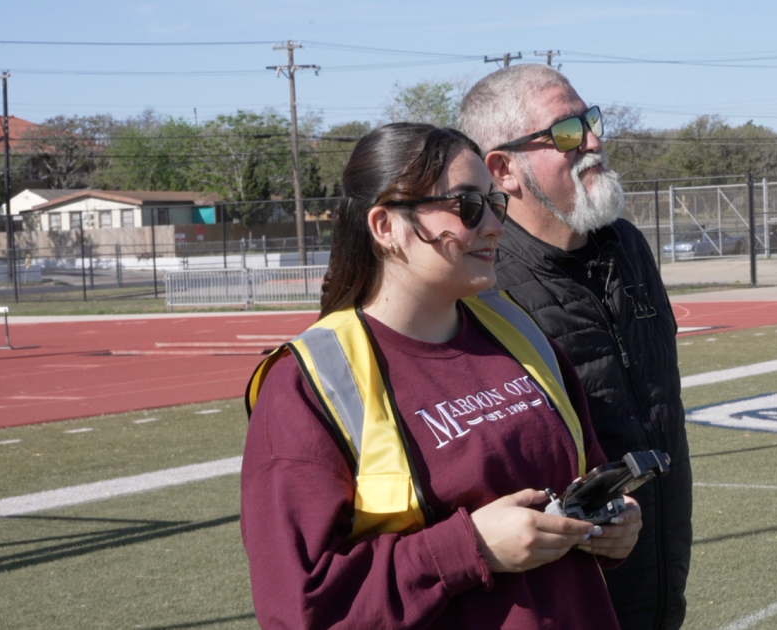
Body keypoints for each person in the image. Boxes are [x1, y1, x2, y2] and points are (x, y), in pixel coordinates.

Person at [241, 123, 642, 630]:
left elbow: (587, 474)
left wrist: (612, 522)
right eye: (467, 207)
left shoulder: (521, 333)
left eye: (495, 205)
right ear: (385, 225)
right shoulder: (307, 384)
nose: (495, 226)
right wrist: (468, 548)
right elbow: (301, 608)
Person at [459, 66, 693, 630]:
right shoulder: (481, 285)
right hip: (560, 596)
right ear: (502, 169)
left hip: (657, 575)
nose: (592, 141)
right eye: (566, 131)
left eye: (590, 120)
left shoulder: (628, 246)